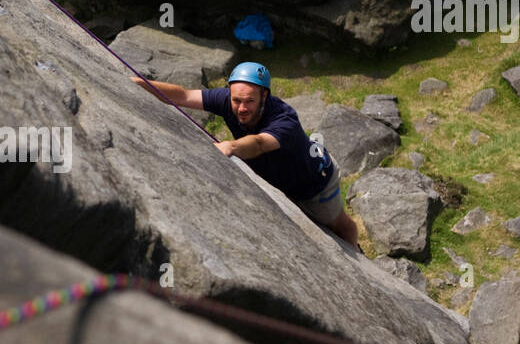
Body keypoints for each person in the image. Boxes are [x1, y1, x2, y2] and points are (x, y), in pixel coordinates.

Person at [131, 61, 361, 250]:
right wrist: (141, 83)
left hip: (315, 182)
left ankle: (357, 259)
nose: (242, 108)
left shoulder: (284, 120)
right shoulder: (228, 99)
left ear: (265, 96)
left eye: (250, 101)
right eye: (237, 100)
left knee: (338, 225)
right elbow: (182, 95)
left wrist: (231, 146)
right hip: (280, 178)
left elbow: (260, 143)